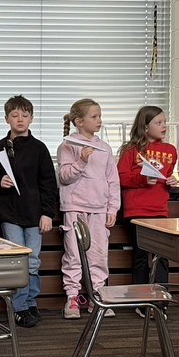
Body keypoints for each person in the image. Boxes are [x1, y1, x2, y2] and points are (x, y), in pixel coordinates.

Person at [0, 95, 59, 328]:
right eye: (15, 115)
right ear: (7, 119)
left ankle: (29, 300)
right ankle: (19, 307)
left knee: (32, 261)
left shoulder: (39, 149)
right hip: (9, 214)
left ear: (32, 118)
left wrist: (47, 213)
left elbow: (48, 185)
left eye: (25, 115)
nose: (20, 119)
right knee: (18, 260)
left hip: (35, 215)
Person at [58, 98, 119, 320]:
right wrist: (81, 161)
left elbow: (113, 181)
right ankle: (72, 297)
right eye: (94, 116)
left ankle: (97, 297)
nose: (99, 120)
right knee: (74, 253)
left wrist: (113, 208)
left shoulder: (105, 148)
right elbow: (64, 177)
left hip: (99, 209)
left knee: (99, 255)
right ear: (79, 121)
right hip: (75, 208)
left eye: (100, 116)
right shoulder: (68, 145)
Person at [117, 106, 178, 286]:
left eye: (164, 122)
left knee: (162, 256)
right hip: (137, 210)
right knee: (141, 255)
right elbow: (121, 177)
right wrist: (142, 179)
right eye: (158, 123)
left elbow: (167, 175)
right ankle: (141, 298)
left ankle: (161, 298)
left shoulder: (170, 150)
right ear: (145, 127)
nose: (164, 126)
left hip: (160, 209)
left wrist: (171, 181)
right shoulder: (131, 150)